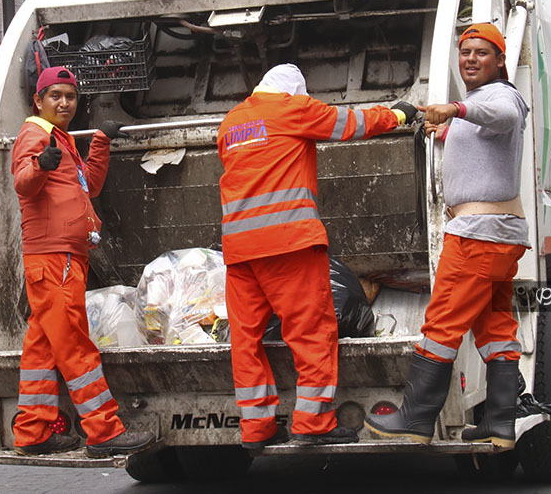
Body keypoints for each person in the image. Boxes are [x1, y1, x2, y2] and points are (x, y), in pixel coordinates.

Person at [217, 64, 418, 450]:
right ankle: (312, 422)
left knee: (246, 341)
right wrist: (398, 113)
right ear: (294, 94)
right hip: (289, 244)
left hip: (239, 251)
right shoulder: (292, 109)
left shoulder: (231, 123)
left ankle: (257, 429)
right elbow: (349, 124)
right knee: (311, 332)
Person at [366, 23, 530, 447]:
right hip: (499, 233)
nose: (471, 59)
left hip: (478, 234)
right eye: (466, 52)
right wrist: (449, 129)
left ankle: (416, 419)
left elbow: (505, 116)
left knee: (441, 324)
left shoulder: (501, 95)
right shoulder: (479, 103)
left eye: (481, 53)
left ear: (499, 61)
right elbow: (482, 139)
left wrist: (456, 111)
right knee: (495, 328)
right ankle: (500, 423)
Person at [10, 66, 154, 457]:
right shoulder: (35, 134)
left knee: (42, 348)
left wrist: (102, 141)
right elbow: (22, 181)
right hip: (54, 258)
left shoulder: (59, 139)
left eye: (70, 97)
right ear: (38, 100)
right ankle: (103, 431)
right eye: (55, 96)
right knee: (75, 343)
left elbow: (89, 184)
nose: (64, 103)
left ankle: (32, 432)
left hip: (62, 256)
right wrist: (41, 165)